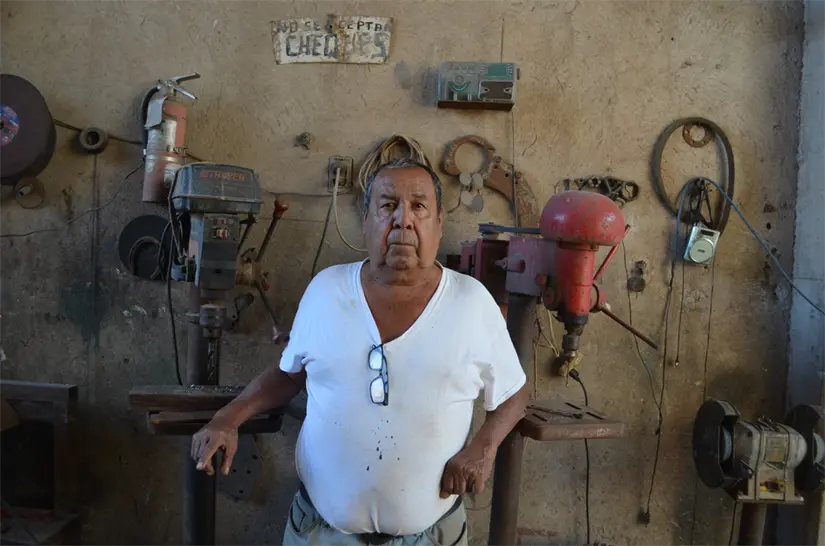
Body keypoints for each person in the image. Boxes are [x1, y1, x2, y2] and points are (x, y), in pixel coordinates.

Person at [191, 157, 528, 546]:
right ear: (366, 222)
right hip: (320, 532)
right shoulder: (327, 290)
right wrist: (227, 417)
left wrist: (482, 450)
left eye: (419, 206)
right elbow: (288, 375)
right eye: (387, 205)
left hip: (430, 537)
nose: (403, 220)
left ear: (439, 224)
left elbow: (514, 392)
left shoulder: (470, 302)